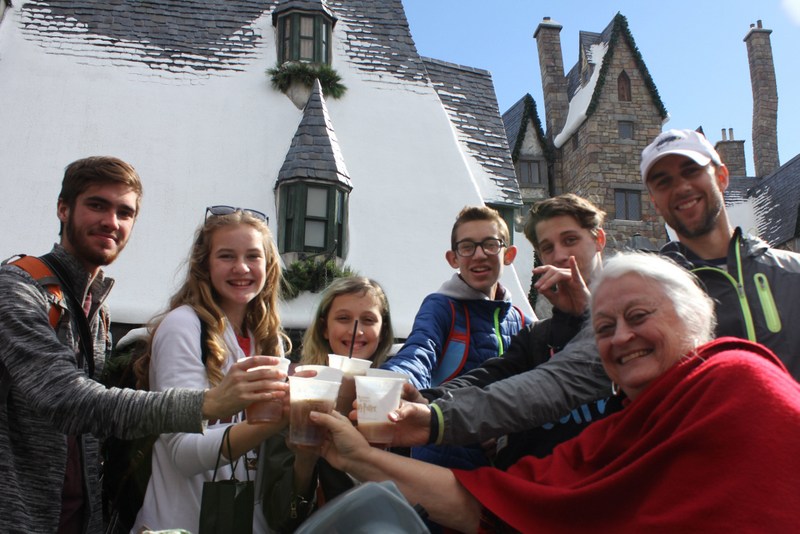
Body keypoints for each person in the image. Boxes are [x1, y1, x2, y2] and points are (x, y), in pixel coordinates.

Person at [312, 252, 800, 532]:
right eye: (602, 328)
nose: (620, 338)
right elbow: (494, 504)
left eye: (638, 317)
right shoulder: (609, 437)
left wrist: (433, 419)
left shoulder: (738, 383)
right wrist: (363, 453)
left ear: (693, 321)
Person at [0, 158, 283, 534]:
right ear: (63, 209)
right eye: (97, 205)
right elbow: (65, 399)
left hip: (77, 517)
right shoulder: (17, 288)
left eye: (125, 212)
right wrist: (208, 404)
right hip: (20, 514)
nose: (111, 221)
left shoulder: (97, 310)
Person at [418, 194, 622, 466]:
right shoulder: (536, 336)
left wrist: (588, 314)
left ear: (599, 240)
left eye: (570, 240)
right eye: (547, 247)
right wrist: (421, 400)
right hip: (532, 485)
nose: (560, 255)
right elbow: (486, 379)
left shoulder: (633, 322)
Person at [131, 206, 291, 533]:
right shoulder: (183, 326)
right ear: (204, 265)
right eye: (226, 256)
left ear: (268, 265)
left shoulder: (267, 337)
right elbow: (183, 454)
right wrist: (276, 421)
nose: (241, 267)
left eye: (253, 256)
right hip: (178, 525)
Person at [641, 128, 800, 378]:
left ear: (722, 177)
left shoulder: (793, 273)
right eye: (664, 182)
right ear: (655, 202)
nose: (681, 187)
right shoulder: (651, 299)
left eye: (691, 171)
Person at [381, 205, 529, 470]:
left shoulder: (522, 322)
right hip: (441, 465)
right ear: (453, 258)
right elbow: (418, 352)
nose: (479, 255)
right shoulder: (441, 307)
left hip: (503, 471)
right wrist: (390, 384)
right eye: (467, 247)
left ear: (509, 254)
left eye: (490, 245)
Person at [261, 277, 394, 533]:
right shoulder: (298, 393)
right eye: (343, 318)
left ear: (383, 330)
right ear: (324, 328)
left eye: (368, 320)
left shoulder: (394, 396)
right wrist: (305, 461)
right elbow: (279, 518)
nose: (356, 330)